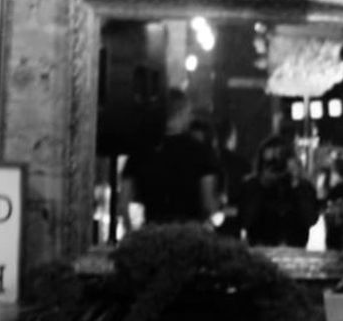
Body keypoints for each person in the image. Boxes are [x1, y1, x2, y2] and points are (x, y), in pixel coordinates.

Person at [119, 88, 220, 232]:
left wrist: (132, 234)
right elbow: (208, 205)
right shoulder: (200, 152)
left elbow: (123, 204)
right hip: (189, 235)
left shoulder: (140, 152)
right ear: (182, 112)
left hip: (153, 234)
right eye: (188, 114)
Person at [234, 134, 321, 247]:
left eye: (280, 161)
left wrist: (296, 184)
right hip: (260, 250)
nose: (276, 166)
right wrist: (262, 185)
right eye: (270, 163)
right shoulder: (251, 186)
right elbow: (245, 221)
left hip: (295, 250)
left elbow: (310, 219)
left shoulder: (303, 187)